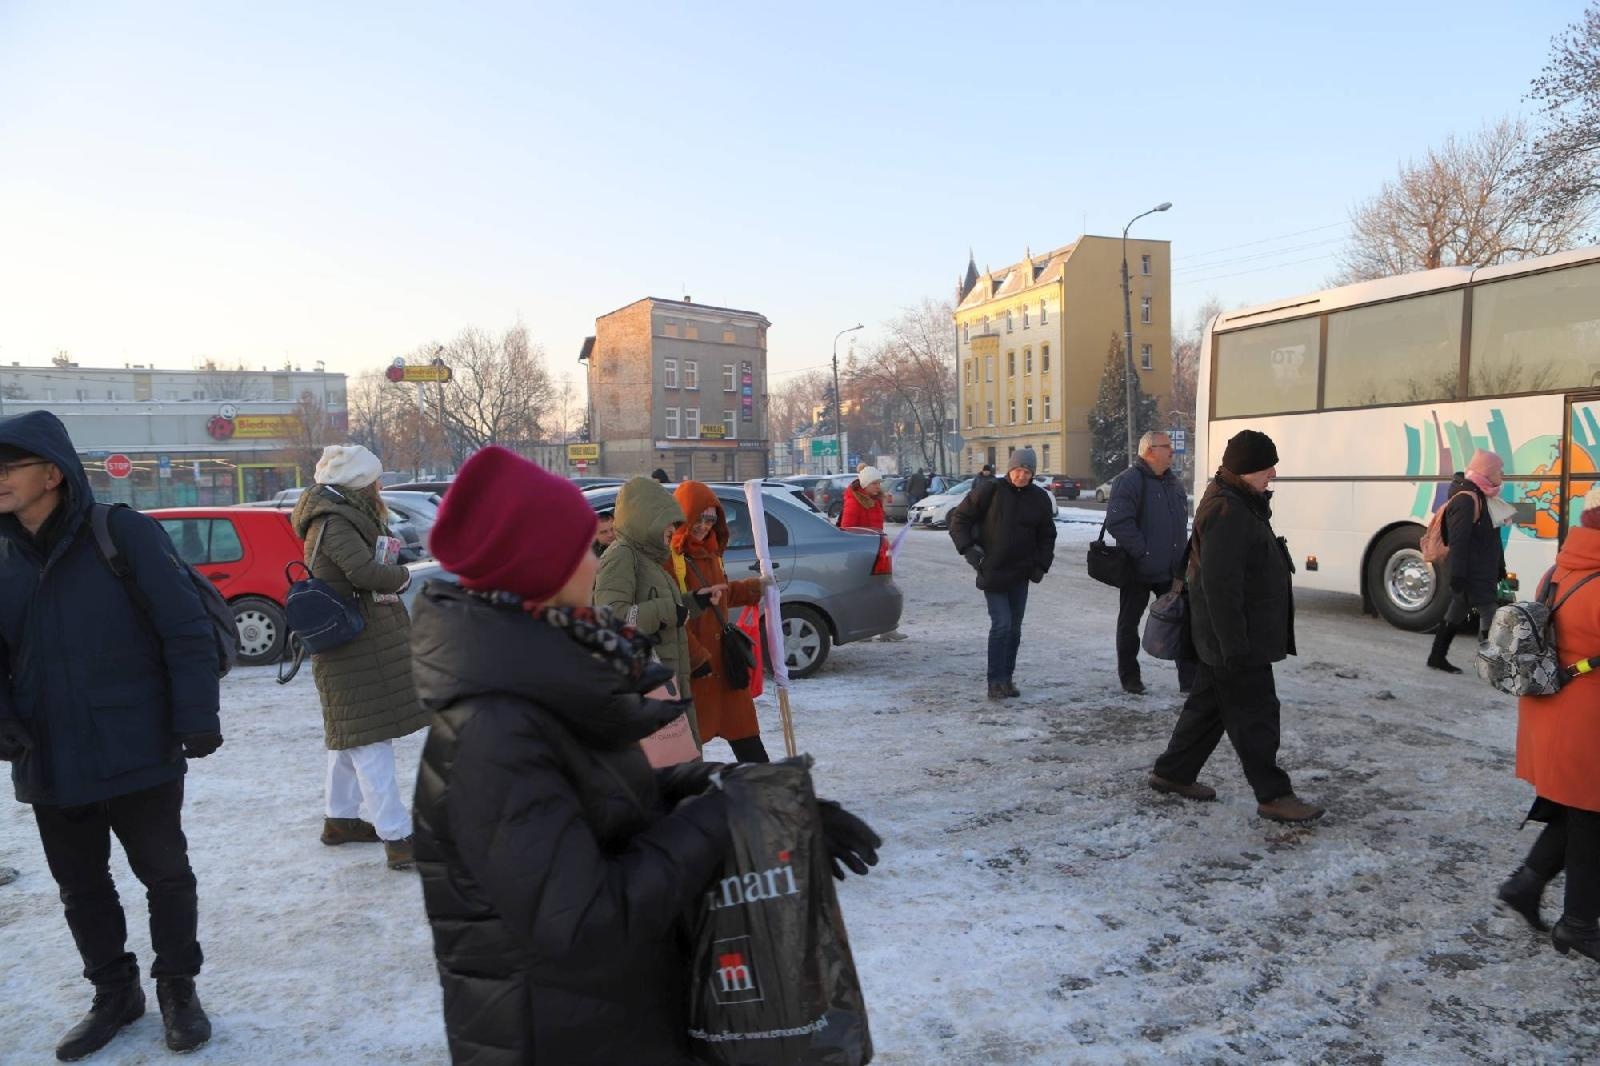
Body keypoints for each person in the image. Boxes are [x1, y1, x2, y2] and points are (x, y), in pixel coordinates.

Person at [410, 446, 881, 1063]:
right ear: (539, 567)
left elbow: (622, 794)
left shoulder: (542, 686)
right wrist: (721, 817)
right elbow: (583, 922)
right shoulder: (493, 735)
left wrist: (774, 805)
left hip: (610, 1022)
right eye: (579, 548)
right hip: (558, 1039)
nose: (592, 558)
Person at [0, 411, 219, 1058]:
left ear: (52, 472)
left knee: (166, 875)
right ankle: (114, 993)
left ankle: (178, 988)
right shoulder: (1, 555)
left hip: (138, 745)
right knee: (81, 887)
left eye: (9, 465)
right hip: (49, 754)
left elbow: (185, 630)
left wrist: (196, 718)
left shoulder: (120, 533)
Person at [1149, 430, 1324, 824]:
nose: (1273, 473)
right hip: (1235, 640)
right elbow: (1220, 587)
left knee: (1208, 709)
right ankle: (1274, 795)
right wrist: (1234, 647)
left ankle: (1173, 773)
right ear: (1245, 470)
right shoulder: (1228, 511)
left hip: (1231, 638)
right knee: (1256, 715)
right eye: (1266, 467)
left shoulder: (1241, 502)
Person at [290, 445, 429, 871]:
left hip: (356, 641)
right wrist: (403, 574)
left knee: (351, 733)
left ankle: (341, 819)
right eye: (373, 480)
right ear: (358, 485)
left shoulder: (341, 517)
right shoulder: (334, 522)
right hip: (354, 644)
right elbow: (366, 574)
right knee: (369, 740)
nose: (379, 487)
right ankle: (398, 837)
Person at [1495, 484, 1600, 964]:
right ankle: (1578, 924)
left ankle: (1526, 884)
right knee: (1591, 819)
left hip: (1550, 709)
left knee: (1576, 811)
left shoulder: (1561, 567)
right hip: (1585, 722)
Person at [595, 476, 713, 745]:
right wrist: (667, 610)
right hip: (646, 688)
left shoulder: (649, 558)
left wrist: (694, 602)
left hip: (667, 684)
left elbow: (662, 609)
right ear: (645, 518)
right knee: (666, 766)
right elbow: (611, 619)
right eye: (667, 520)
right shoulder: (622, 555)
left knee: (679, 762)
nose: (673, 528)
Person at [675, 481, 776, 762]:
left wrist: (753, 587)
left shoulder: (712, 553)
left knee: (747, 739)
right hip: (697, 669)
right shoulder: (672, 558)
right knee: (688, 749)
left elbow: (720, 595)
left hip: (725, 663)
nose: (705, 526)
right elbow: (672, 615)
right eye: (699, 518)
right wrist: (697, 658)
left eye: (711, 519)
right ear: (684, 515)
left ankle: (765, 795)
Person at [948, 447, 1057, 700]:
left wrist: (1041, 564)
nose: (1021, 475)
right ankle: (994, 681)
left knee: (1015, 629)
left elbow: (1047, 535)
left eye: (1027, 471)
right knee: (1002, 625)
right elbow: (959, 519)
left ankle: (1007, 679)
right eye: (1017, 469)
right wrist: (969, 551)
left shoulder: (1039, 499)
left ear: (1033, 474)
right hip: (993, 569)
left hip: (1021, 572)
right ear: (1009, 469)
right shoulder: (990, 490)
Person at [1106, 431, 1196, 696]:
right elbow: (1118, 522)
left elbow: (1179, 524)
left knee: (1183, 621)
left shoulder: (1173, 483)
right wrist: (1143, 553)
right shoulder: (1128, 481)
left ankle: (1189, 681)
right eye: (1166, 446)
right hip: (1137, 569)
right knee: (1129, 624)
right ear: (1149, 451)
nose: (1172, 451)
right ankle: (1130, 678)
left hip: (1172, 570)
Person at [1428, 449, 1508, 673]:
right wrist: (1458, 575)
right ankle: (1489, 664)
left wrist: (1500, 566)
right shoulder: (1466, 500)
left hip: (1483, 568)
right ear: (1487, 472)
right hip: (1472, 570)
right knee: (1489, 611)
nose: (1502, 473)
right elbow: (1458, 541)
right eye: (1499, 470)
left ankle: (1436, 656)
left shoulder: (1484, 496)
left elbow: (1493, 537)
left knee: (1457, 611)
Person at [840, 466, 887, 530]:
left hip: (875, 539)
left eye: (879, 483)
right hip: (863, 540)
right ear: (864, 484)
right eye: (874, 483)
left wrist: (881, 539)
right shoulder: (853, 503)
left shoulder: (876, 501)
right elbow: (847, 531)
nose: (878, 486)